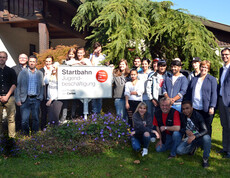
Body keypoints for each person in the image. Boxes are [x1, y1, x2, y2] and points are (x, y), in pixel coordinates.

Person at [185, 60, 217, 136]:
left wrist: (212, 106)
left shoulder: (212, 79)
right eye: (202, 67)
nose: (204, 69)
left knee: (207, 126)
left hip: (206, 108)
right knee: (195, 127)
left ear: (208, 69)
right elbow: (189, 92)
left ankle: (206, 143)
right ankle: (196, 142)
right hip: (195, 107)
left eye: (206, 67)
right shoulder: (194, 79)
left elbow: (214, 94)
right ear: (200, 67)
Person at [177, 100, 211, 168]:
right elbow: (179, 128)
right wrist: (185, 131)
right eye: (183, 109)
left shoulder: (198, 116)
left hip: (199, 137)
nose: (185, 111)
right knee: (179, 151)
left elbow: (205, 130)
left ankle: (205, 159)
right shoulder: (181, 116)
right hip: (188, 138)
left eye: (187, 108)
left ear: (192, 108)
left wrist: (195, 136)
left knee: (207, 138)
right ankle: (193, 147)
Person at [15, 55, 43, 135]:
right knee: (24, 120)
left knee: (36, 119)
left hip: (36, 99)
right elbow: (17, 86)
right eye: (30, 61)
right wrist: (17, 99)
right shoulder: (22, 73)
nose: (32, 63)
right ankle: (26, 135)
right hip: (25, 99)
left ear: (36, 63)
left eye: (33, 61)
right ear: (28, 62)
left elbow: (42, 86)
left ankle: (35, 135)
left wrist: (40, 97)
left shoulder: (40, 73)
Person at [71, 47, 92, 119]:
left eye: (81, 53)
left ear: (84, 53)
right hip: (76, 86)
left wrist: (85, 64)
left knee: (86, 104)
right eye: (78, 53)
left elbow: (92, 69)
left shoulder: (87, 60)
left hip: (86, 86)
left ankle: (87, 119)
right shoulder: (74, 61)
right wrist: (78, 63)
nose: (79, 54)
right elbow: (68, 65)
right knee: (77, 104)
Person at [0, 51, 17, 138]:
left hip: (9, 97)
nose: (1, 59)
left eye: (3, 57)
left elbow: (14, 84)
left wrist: (6, 96)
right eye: (0, 57)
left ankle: (12, 138)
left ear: (6, 59)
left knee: (11, 119)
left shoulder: (11, 71)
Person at [218, 47, 230, 158]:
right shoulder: (222, 69)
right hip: (221, 100)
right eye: (223, 55)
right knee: (224, 125)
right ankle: (225, 148)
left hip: (229, 101)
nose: (224, 56)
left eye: (226, 54)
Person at [12, 53, 28, 131]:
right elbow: (13, 84)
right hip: (18, 95)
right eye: (20, 58)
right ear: (18, 59)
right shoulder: (13, 69)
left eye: (24, 58)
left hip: (29, 95)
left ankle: (26, 129)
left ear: (27, 60)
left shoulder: (31, 68)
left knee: (27, 114)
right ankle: (18, 130)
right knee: (18, 113)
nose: (22, 59)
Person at [90, 42, 106, 114]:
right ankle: (94, 113)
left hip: (101, 79)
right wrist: (93, 54)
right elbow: (91, 65)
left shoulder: (103, 56)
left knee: (99, 98)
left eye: (100, 50)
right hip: (93, 79)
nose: (99, 52)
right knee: (93, 98)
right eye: (97, 50)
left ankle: (99, 113)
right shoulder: (91, 56)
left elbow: (107, 64)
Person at [40, 55, 53, 130]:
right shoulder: (41, 70)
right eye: (47, 61)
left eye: (49, 61)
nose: (48, 63)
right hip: (44, 91)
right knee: (43, 111)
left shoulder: (54, 70)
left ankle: (51, 128)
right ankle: (43, 127)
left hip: (52, 91)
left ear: (52, 62)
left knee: (51, 111)